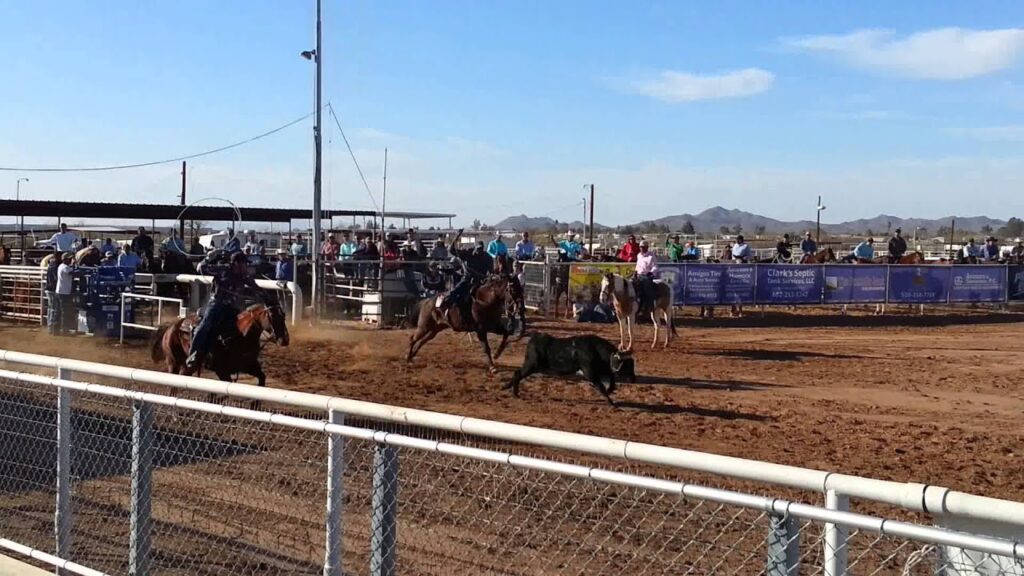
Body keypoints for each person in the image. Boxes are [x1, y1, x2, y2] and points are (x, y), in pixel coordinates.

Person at [185, 251, 266, 373]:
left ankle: (235, 357)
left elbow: (254, 287)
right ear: (236, 263)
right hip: (216, 305)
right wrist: (208, 257)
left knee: (242, 328)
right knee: (205, 326)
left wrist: (265, 296)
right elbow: (201, 268)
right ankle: (193, 354)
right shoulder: (222, 269)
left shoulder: (244, 275)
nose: (246, 266)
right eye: (244, 263)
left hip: (233, 308)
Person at [437, 231, 493, 319]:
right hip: (468, 279)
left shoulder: (487, 257)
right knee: (456, 291)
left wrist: (488, 278)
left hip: (481, 280)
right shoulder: (467, 253)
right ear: (474, 248)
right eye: (478, 249)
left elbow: (491, 271)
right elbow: (451, 250)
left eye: (480, 249)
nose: (479, 251)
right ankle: (445, 307)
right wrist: (457, 236)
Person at [55, 252, 78, 335]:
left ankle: (56, 329)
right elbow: (73, 273)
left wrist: (73, 265)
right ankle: (64, 330)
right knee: (64, 312)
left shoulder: (62, 266)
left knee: (58, 311)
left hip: (60, 291)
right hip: (63, 292)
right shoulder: (65, 267)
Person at [633, 240, 659, 314]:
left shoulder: (651, 256)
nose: (641, 248)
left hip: (647, 276)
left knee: (646, 287)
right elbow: (638, 266)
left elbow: (655, 267)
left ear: (647, 247)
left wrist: (650, 273)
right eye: (640, 247)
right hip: (639, 275)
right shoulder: (639, 255)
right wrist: (635, 271)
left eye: (643, 247)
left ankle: (650, 306)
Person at [43, 255, 61, 335]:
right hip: (52, 289)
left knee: (51, 308)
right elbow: (55, 279)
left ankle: (50, 326)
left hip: (48, 289)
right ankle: (51, 327)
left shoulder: (50, 266)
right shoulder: (54, 267)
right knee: (53, 308)